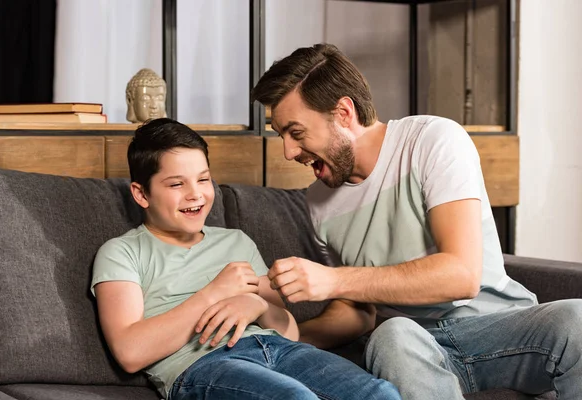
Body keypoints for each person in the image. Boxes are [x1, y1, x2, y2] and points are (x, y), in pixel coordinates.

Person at [251, 43, 582, 400]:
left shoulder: (432, 141)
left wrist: (331, 279)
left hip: (499, 327)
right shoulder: (319, 202)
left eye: (296, 132)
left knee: (577, 318)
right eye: (280, 134)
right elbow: (357, 311)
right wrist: (284, 342)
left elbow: (461, 275)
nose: (287, 151)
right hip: (415, 345)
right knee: (390, 334)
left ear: (344, 113)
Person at [90, 118, 401, 400]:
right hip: (204, 366)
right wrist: (214, 293)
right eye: (176, 184)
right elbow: (130, 351)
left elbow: (289, 331)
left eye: (202, 179)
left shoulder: (236, 241)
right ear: (142, 194)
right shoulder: (122, 252)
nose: (196, 194)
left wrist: (259, 306)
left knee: (379, 393)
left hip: (280, 350)